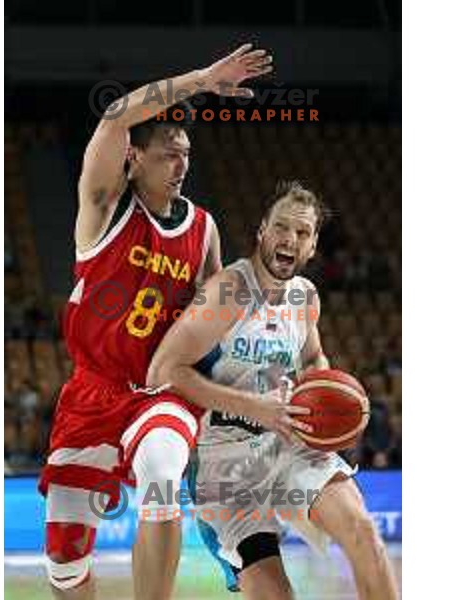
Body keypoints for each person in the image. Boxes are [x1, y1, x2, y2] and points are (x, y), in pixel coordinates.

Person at [38, 44, 291, 600]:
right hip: (93, 392)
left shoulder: (203, 229)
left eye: (186, 155)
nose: (182, 165)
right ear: (134, 157)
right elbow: (114, 116)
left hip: (160, 391)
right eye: (168, 154)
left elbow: (216, 325)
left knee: (160, 474)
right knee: (62, 553)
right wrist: (203, 79)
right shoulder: (103, 204)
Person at [147, 180, 399, 599]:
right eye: (282, 227)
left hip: (289, 443)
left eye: (302, 233)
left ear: (313, 246)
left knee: (363, 533)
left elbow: (314, 358)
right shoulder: (228, 291)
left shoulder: (305, 297)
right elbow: (163, 370)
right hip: (224, 458)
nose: (290, 239)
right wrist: (251, 405)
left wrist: (322, 399)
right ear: (262, 231)